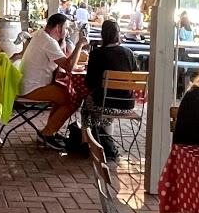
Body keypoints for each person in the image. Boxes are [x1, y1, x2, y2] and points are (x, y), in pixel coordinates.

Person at [13, 12, 87, 148]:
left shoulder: (42, 35)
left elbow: (63, 62)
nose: (68, 31)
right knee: (73, 99)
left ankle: (50, 131)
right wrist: (80, 45)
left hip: (28, 84)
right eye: (66, 28)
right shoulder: (48, 42)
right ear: (58, 27)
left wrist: (63, 41)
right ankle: (47, 133)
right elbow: (69, 66)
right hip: (32, 88)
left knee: (65, 94)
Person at [83, 18, 139, 160]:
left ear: (103, 35)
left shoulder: (97, 54)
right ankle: (107, 141)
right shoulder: (129, 53)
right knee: (102, 104)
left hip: (104, 106)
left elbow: (90, 83)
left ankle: (87, 144)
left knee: (87, 107)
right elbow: (136, 76)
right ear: (118, 34)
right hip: (127, 105)